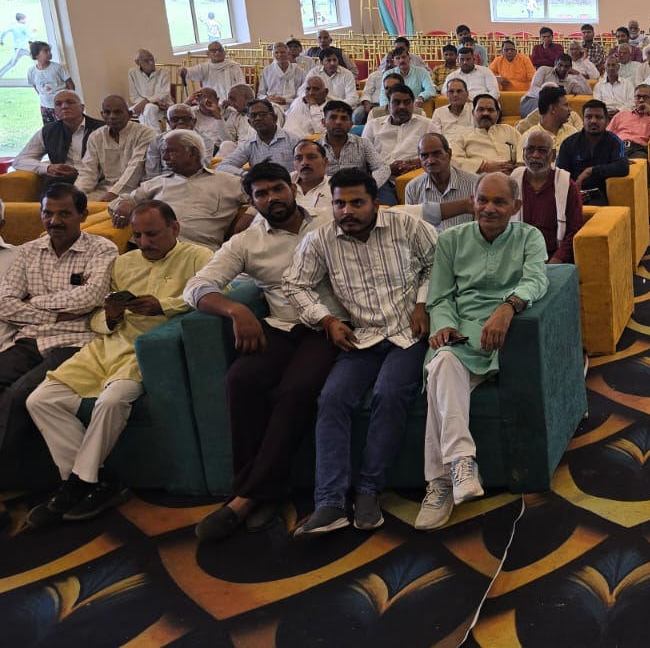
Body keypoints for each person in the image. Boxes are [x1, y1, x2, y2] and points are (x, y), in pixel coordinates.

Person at [24, 200, 210, 528]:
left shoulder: (198, 257)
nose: (144, 242)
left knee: (111, 401)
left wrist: (164, 306)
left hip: (148, 351)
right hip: (108, 345)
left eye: (152, 234)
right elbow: (96, 316)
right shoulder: (124, 263)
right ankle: (99, 480)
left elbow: (216, 295)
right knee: (40, 400)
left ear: (175, 228)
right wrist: (109, 316)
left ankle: (77, 484)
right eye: (137, 235)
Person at [185, 160, 340, 541]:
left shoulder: (329, 221)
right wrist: (236, 310)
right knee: (241, 380)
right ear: (252, 202)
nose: (272, 198)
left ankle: (247, 497)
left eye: (277, 189)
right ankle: (263, 490)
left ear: (293, 188)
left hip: (327, 327)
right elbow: (197, 287)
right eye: (262, 194)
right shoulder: (246, 242)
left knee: (296, 390)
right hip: (281, 326)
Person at [283, 168, 435, 538]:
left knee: (389, 393)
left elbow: (439, 262)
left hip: (408, 334)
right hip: (360, 336)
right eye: (339, 204)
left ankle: (369, 490)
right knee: (332, 398)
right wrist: (326, 320)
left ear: (375, 203)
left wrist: (422, 303)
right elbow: (295, 284)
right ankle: (330, 502)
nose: (347, 211)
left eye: (356, 203)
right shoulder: (320, 240)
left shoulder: (406, 226)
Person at [415, 173, 548, 529]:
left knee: (441, 376)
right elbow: (440, 296)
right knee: (443, 361)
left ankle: (440, 482)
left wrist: (509, 306)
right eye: (482, 200)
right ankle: (459, 464)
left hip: (504, 333)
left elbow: (536, 279)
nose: (489, 208)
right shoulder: (451, 240)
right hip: (461, 327)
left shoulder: (529, 237)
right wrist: (444, 324)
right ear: (472, 202)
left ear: (515, 207)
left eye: (499, 202)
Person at [0, 185, 118, 509]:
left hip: (74, 341)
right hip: (29, 339)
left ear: (82, 214)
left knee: (19, 395)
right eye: (48, 213)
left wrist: (34, 302)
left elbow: (91, 297)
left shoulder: (102, 249)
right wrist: (54, 312)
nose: (54, 221)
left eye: (64, 213)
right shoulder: (28, 251)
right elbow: (5, 303)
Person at [110, 130, 249, 250]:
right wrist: (124, 203)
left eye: (170, 151)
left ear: (192, 153)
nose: (164, 158)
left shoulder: (229, 182)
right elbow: (123, 200)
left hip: (198, 252)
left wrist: (249, 216)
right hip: (150, 249)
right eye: (163, 152)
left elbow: (260, 199)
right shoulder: (157, 183)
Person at [511, 131, 583, 264]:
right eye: (530, 150)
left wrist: (555, 262)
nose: (535, 155)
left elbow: (574, 231)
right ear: (523, 153)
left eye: (542, 151)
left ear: (553, 155)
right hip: (516, 257)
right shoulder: (512, 183)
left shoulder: (567, 185)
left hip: (554, 259)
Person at [15, 91, 102, 189]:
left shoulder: (101, 129)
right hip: (63, 183)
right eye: (58, 104)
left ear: (82, 107)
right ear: (55, 111)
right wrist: (48, 168)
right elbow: (20, 160)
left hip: (97, 181)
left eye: (70, 102)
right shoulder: (49, 131)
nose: (64, 106)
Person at [78, 95, 157, 202]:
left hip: (136, 189)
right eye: (107, 112)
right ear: (102, 115)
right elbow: (88, 170)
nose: (112, 116)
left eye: (118, 112)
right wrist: (77, 193)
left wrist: (115, 193)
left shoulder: (145, 133)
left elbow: (136, 166)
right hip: (104, 189)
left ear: (129, 115)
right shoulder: (96, 136)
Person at [557, 100, 630, 204]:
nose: (593, 121)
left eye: (598, 117)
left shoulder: (614, 141)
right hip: (571, 194)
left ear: (607, 121)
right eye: (588, 117)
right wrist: (573, 193)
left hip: (598, 195)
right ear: (583, 120)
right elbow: (561, 173)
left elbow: (623, 167)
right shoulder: (569, 143)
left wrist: (591, 170)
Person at [407, 133, 480, 231]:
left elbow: (479, 229)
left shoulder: (474, 184)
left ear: (449, 154)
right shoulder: (412, 188)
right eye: (424, 155)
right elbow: (411, 229)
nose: (431, 160)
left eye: (436, 153)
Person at [364, 84, 440, 171]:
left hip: (414, 174)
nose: (402, 106)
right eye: (396, 102)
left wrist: (419, 162)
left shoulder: (428, 125)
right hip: (378, 175)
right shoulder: (373, 126)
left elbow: (440, 154)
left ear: (413, 104)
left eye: (406, 102)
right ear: (389, 106)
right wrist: (387, 169)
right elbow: (362, 157)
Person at [219, 99, 301, 176]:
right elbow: (223, 166)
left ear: (274, 118)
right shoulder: (249, 145)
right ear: (250, 122)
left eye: (263, 114)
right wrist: (248, 176)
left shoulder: (294, 141)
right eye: (253, 116)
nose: (258, 118)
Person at [455, 95, 522, 175]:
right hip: (479, 179)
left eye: (490, 110)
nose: (485, 113)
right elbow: (454, 160)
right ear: (473, 113)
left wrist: (519, 166)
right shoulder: (463, 138)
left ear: (498, 114)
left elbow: (523, 149)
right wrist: (483, 167)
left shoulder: (509, 130)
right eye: (481, 109)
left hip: (512, 177)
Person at [608, 84, 650, 159]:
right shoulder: (622, 114)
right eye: (638, 97)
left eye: (645, 97)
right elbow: (607, 134)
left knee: (636, 162)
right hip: (617, 148)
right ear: (634, 99)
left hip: (637, 150)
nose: (641, 100)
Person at [25, 41, 74, 125]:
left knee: (65, 128)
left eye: (49, 51)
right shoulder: (31, 71)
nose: (49, 53)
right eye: (45, 51)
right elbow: (36, 87)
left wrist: (68, 101)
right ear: (36, 55)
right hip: (45, 107)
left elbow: (71, 85)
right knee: (50, 129)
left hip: (61, 106)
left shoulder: (58, 67)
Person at [127, 49, 173, 131]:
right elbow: (134, 96)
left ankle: (151, 134)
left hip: (162, 105)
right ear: (138, 63)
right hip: (142, 105)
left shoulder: (164, 72)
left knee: (149, 109)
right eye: (146, 61)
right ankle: (155, 134)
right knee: (126, 112)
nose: (151, 63)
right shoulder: (132, 73)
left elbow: (164, 94)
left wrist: (146, 102)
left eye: (152, 59)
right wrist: (143, 104)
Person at [292, 139, 333, 210]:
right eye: (298, 158)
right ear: (294, 164)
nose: (304, 162)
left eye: (311, 157)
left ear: (325, 161)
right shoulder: (284, 185)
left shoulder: (335, 187)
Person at [529, 54, 594, 99]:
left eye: (566, 66)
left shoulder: (571, 82)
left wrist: (579, 75)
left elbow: (588, 94)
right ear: (555, 64)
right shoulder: (544, 70)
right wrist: (549, 94)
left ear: (570, 68)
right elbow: (533, 89)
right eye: (560, 65)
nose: (562, 69)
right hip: (533, 100)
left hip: (553, 108)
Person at [432, 78, 475, 144]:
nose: (455, 95)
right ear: (447, 95)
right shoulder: (438, 112)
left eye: (459, 91)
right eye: (451, 91)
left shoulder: (475, 111)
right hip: (447, 148)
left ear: (467, 94)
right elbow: (436, 138)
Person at [0, 11, 30, 79]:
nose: (26, 20)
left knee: (38, 59)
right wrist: (34, 33)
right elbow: (30, 36)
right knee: (11, 63)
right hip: (22, 48)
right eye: (25, 19)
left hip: (20, 48)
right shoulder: (23, 27)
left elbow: (4, 32)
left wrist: (1, 40)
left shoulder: (13, 25)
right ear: (21, 20)